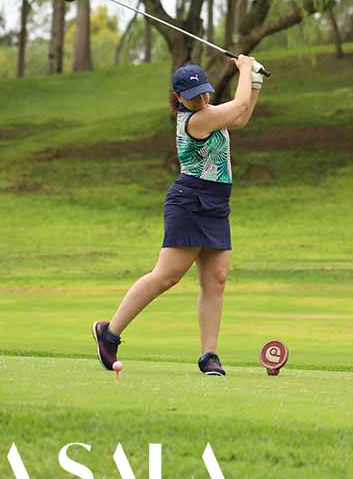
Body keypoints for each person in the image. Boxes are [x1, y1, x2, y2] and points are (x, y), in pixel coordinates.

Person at [92, 54, 263, 376]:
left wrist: (255, 81)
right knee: (167, 276)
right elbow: (239, 106)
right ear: (178, 98)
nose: (202, 100)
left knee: (216, 280)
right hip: (190, 201)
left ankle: (209, 355)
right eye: (194, 97)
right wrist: (243, 68)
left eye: (204, 94)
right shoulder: (194, 120)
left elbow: (240, 118)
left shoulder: (209, 113)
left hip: (216, 204)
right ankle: (109, 332)